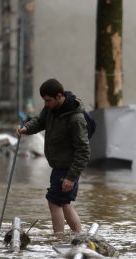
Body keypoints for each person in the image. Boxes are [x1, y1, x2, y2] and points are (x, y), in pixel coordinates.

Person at [16, 79, 90, 234]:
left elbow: (83, 150)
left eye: (49, 100)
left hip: (68, 168)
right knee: (63, 202)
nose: (47, 103)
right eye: (45, 101)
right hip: (58, 166)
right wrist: (26, 129)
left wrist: (71, 177)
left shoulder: (76, 119)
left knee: (55, 202)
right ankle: (76, 235)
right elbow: (39, 121)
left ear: (59, 96)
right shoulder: (51, 109)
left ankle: (60, 237)